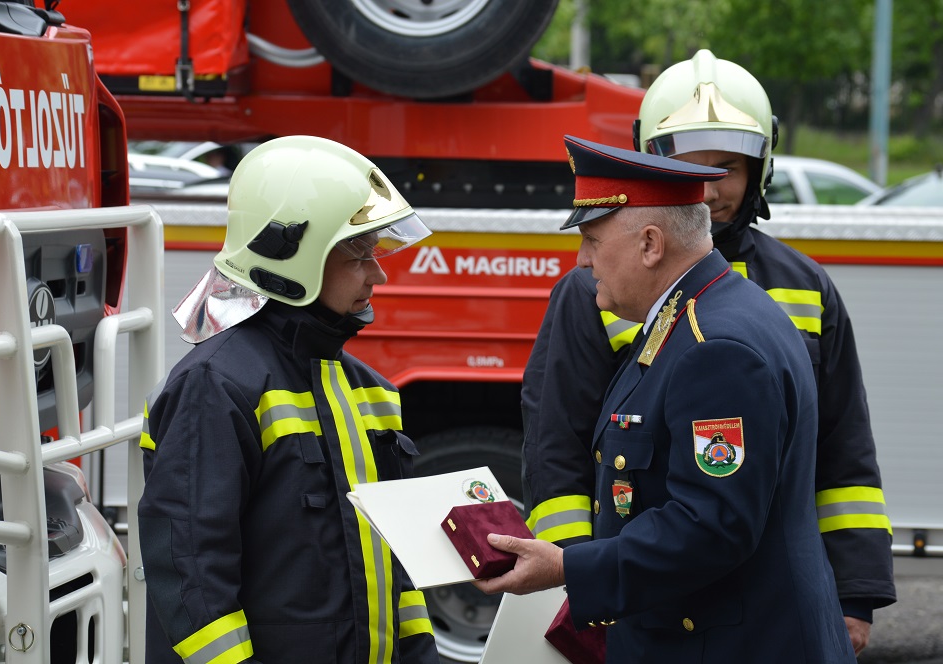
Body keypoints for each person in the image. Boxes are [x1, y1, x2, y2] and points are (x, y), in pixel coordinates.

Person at [521, 49, 895, 654]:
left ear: (649, 243)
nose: (708, 188)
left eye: (725, 169)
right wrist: (577, 589)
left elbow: (837, 455)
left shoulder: (730, 327)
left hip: (717, 623)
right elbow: (558, 446)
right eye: (688, 170)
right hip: (654, 599)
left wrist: (855, 590)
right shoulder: (637, 296)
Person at [477, 135, 855, 663]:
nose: (583, 261)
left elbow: (711, 526)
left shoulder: (714, 346)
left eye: (592, 239)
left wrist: (569, 568)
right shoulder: (701, 315)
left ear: (650, 244)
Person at [138, 135, 441, 664]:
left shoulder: (368, 388)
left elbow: (394, 566)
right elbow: (191, 574)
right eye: (358, 253)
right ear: (293, 254)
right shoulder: (215, 385)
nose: (378, 273)